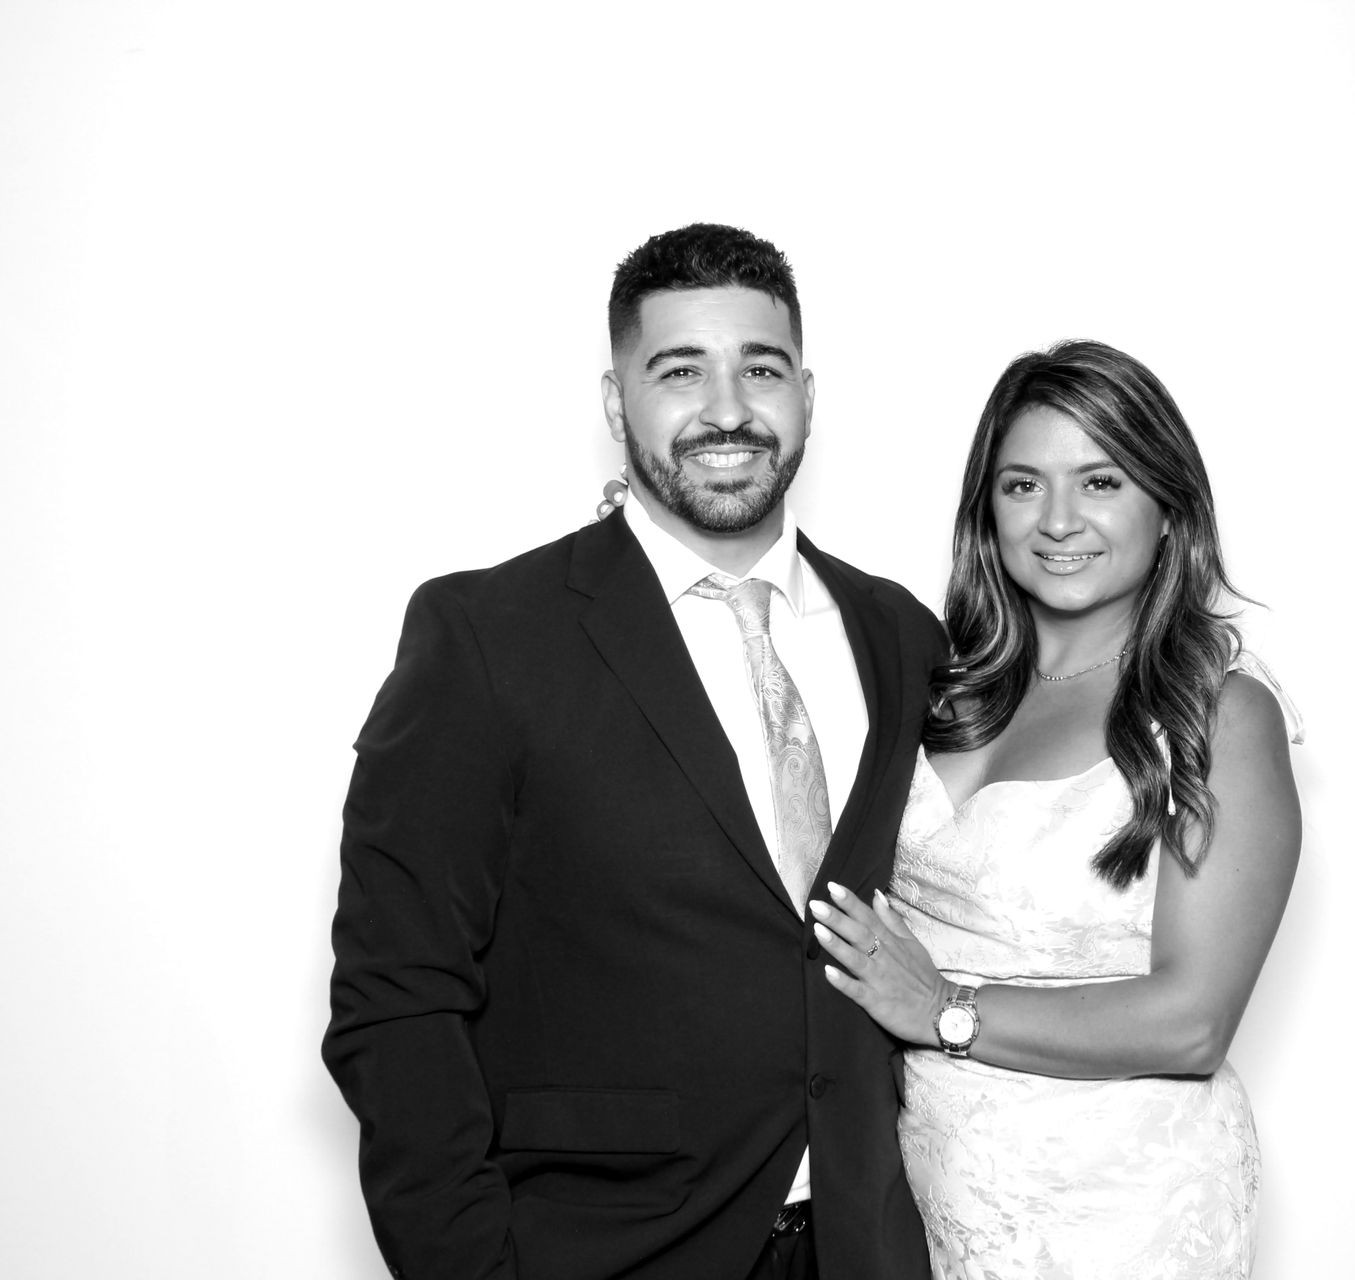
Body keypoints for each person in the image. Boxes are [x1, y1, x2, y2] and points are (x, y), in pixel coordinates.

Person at [323, 224, 939, 1280]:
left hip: (868, 1244)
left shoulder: (899, 633)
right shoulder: (489, 635)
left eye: (761, 367)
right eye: (679, 370)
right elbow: (397, 996)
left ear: (807, 394)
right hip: (605, 1249)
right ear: (616, 403)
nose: (729, 408)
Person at [812, 340, 1303, 1279]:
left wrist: (945, 1009)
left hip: (1124, 1211)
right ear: (986, 512)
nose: (1060, 520)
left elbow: (1194, 1022)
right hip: (929, 1198)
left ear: (1169, 510)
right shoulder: (933, 690)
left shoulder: (1217, 711)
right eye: (1023, 485)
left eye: (1102, 481)